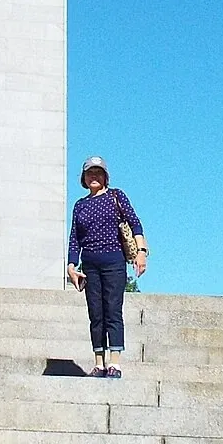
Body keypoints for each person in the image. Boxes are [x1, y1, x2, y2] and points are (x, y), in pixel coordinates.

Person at [66, 157, 146, 377]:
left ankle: (115, 362)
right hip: (90, 264)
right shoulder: (80, 205)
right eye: (90, 173)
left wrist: (141, 252)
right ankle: (99, 362)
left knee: (112, 310)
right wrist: (71, 265)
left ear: (105, 177)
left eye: (98, 173)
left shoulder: (115, 196)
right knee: (96, 313)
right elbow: (75, 238)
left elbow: (135, 222)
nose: (94, 176)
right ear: (83, 178)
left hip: (114, 261)